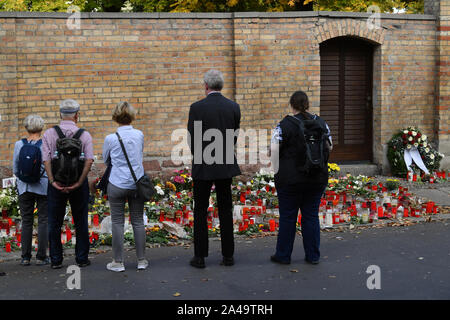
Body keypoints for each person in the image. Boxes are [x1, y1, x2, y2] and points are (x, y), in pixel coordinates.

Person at [270, 90, 332, 265]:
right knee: (311, 216)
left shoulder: (284, 125)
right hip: (316, 177)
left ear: (292, 105)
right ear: (307, 104)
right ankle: (313, 255)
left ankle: (283, 255)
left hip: (290, 179)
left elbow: (274, 149)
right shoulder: (321, 123)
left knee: (288, 217)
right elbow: (329, 147)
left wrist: (276, 169)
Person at [187, 69, 241, 268]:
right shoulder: (233, 107)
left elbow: (192, 137)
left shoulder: (196, 108)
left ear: (206, 85)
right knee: (225, 209)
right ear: (221, 86)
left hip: (203, 163)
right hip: (225, 161)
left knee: (200, 210)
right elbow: (234, 136)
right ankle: (228, 255)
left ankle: (200, 256)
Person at [42, 99, 94, 269]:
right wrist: (79, 182)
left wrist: (52, 181)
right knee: (80, 221)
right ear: (77, 115)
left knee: (55, 222)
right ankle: (81, 258)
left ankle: (56, 260)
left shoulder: (49, 134)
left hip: (56, 183)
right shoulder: (84, 135)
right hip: (78, 184)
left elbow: (46, 160)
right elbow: (88, 161)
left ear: (60, 115)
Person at [102, 101, 148, 272]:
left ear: (115, 117)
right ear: (132, 115)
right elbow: (138, 155)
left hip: (116, 183)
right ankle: (142, 260)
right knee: (137, 221)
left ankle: (118, 262)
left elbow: (107, 160)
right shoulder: (139, 135)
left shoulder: (110, 138)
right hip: (136, 183)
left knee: (117, 222)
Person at [13, 115, 49, 266]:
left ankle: (25, 257)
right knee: (43, 221)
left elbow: (15, 168)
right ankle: (41, 257)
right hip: (42, 186)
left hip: (24, 187)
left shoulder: (18, 144)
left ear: (26, 127)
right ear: (41, 128)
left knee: (26, 221)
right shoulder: (45, 144)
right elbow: (48, 166)